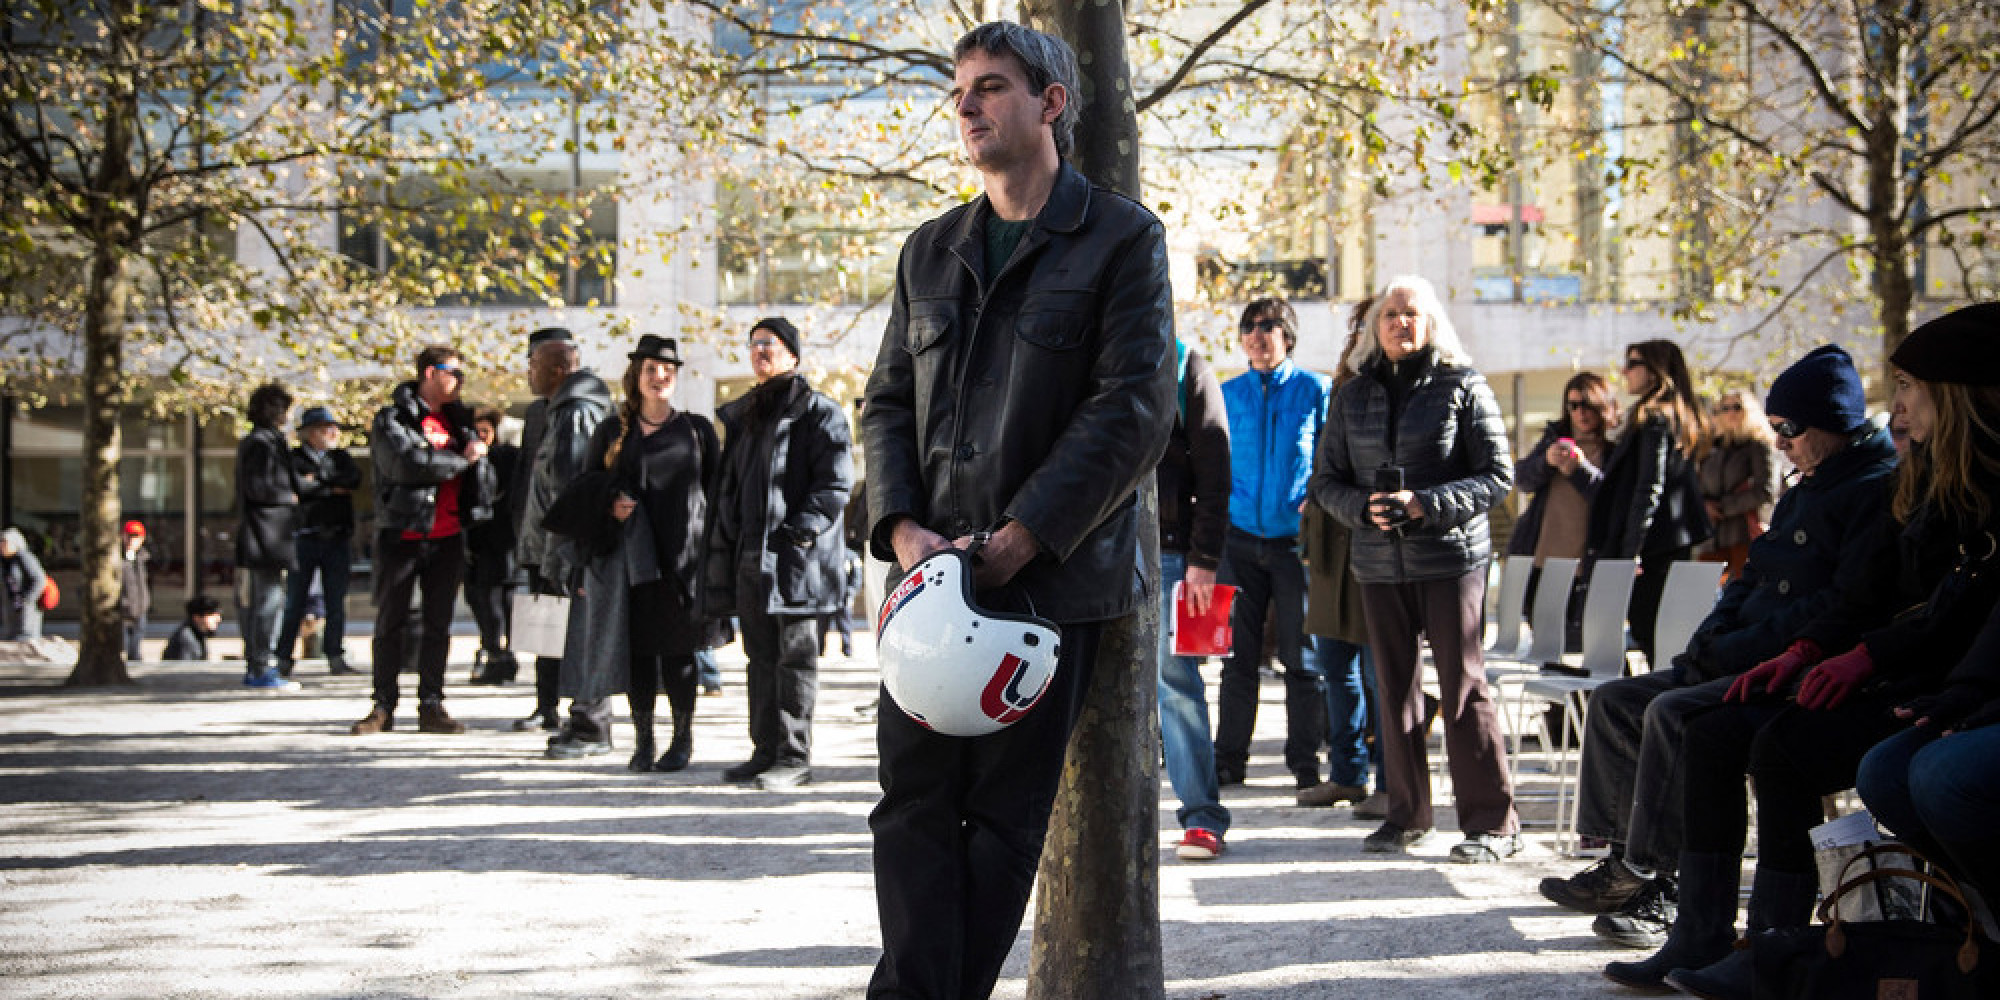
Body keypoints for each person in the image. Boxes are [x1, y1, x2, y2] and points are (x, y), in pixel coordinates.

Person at [859, 21, 1174, 1000]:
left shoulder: (1124, 237)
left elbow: (1132, 408)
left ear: (1050, 102)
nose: (966, 106)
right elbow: (883, 404)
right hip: (929, 583)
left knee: (1001, 819)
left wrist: (1021, 534)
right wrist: (903, 528)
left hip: (1046, 584)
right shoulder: (928, 251)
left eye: (989, 86)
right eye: (959, 90)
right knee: (907, 804)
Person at [1607, 307, 2000, 996]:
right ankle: (1719, 931)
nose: (1898, 409)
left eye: (1909, 388)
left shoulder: (1902, 480)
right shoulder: (1918, 477)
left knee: (1773, 746)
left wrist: (1856, 658)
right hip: (1894, 671)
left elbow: (1927, 611)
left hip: (1928, 682)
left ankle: (1784, 947)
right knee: (1715, 727)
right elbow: (1854, 596)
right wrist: (1807, 651)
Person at [1539, 345, 1895, 949]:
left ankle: (1665, 881)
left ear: (1833, 424)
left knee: (1674, 714)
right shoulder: (1811, 479)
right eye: (1776, 428)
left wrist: (1737, 649)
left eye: (1790, 430)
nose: (1780, 442)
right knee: (1616, 700)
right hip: (1741, 649)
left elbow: (1840, 604)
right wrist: (1710, 637)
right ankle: (1628, 864)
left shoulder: (1871, 487)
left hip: (1789, 663)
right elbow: (1752, 576)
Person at [1310, 274, 1519, 862]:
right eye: (1391, 314)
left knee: (1462, 687)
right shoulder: (1351, 396)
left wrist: (1426, 504)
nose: (1401, 323)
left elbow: (1498, 476)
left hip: (1451, 559)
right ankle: (1406, 815)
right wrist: (1363, 509)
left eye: (1412, 314)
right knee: (1394, 691)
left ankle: (1491, 824)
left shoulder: (1463, 386)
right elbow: (1327, 482)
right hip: (1378, 563)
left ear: (1432, 324)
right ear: (1374, 327)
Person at [557, 335, 719, 771]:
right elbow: (583, 491)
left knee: (681, 655)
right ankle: (644, 740)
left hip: (684, 562)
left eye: (667, 369)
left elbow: (718, 495)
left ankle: (681, 740)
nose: (660, 376)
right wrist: (611, 503)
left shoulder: (696, 429)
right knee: (639, 654)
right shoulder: (612, 431)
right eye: (651, 369)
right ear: (637, 376)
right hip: (630, 565)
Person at [706, 316, 853, 790]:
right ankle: (764, 750)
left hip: (796, 562)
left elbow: (834, 484)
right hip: (750, 559)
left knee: (795, 662)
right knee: (759, 660)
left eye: (768, 343)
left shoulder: (819, 412)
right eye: (752, 345)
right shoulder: (746, 416)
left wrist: (801, 533)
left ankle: (793, 757)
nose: (759, 352)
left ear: (792, 352)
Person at [1212, 296, 1332, 794]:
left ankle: (1305, 763)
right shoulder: (1225, 394)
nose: (1257, 335)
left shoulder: (1316, 390)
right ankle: (1229, 762)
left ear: (1288, 335)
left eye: (1268, 326)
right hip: (1237, 541)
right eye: (1249, 326)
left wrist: (1316, 499)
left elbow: (1332, 461)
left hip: (1294, 546)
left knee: (1302, 659)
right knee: (1238, 659)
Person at [350, 346, 494, 736]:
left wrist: (476, 462)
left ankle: (431, 704)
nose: (461, 382)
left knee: (439, 624)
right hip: (402, 533)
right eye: (455, 373)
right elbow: (407, 466)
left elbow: (481, 471)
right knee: (390, 622)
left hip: (448, 536)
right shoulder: (392, 419)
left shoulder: (459, 422)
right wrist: (464, 461)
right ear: (430, 373)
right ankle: (383, 707)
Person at [511, 327, 613, 734]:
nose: (528, 374)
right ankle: (546, 704)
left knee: (571, 632)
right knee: (544, 628)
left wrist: (559, 552)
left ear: (556, 368)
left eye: (532, 365)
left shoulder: (577, 412)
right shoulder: (551, 409)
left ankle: (583, 715)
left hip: (562, 548)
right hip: (542, 543)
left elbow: (571, 493)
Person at [1300, 297, 1379, 815]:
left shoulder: (1400, 382)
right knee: (1334, 662)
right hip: (1331, 533)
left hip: (1376, 538)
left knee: (1380, 669)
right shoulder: (1346, 375)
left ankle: (1395, 782)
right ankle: (1348, 775)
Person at [1587, 340, 1711, 665]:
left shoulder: (1655, 417)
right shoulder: (1668, 415)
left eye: (1633, 362)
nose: (1625, 370)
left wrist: (1632, 550)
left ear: (1656, 371)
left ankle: (1656, 707)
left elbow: (1649, 487)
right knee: (1657, 636)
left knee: (1651, 633)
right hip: (1663, 543)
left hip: (1653, 547)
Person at [1156, 335, 1232, 858]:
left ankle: (1201, 817)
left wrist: (1203, 559)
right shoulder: (1086, 347)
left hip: (1168, 555)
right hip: (1091, 557)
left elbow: (1215, 469)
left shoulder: (1186, 365)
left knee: (1176, 686)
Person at [1510, 372, 1616, 630]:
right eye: (1573, 405)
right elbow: (1521, 480)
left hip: (1588, 562)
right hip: (1544, 558)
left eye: (1588, 405)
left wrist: (1579, 470)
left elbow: (1612, 501)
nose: (1581, 413)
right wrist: (1546, 462)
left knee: (1588, 640)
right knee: (1544, 639)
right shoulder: (1553, 440)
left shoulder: (1615, 448)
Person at [276, 405, 362, 677]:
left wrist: (318, 482)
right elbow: (299, 487)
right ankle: (284, 658)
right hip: (306, 537)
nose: (333, 433)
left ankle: (335, 655)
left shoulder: (341, 457)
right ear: (311, 433)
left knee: (335, 601)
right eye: (326, 429)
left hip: (336, 537)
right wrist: (329, 487)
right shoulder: (295, 458)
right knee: (295, 601)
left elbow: (354, 480)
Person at [235, 383, 301, 690]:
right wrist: (289, 496)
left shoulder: (267, 442)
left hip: (271, 532)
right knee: (268, 601)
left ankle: (262, 663)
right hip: (267, 534)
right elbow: (257, 487)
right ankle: (261, 665)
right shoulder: (261, 443)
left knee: (270, 599)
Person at [1698, 388, 1779, 584]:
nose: (1731, 413)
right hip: (1711, 539)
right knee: (1706, 598)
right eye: (1725, 408)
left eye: (1737, 407)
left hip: (1744, 537)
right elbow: (1697, 486)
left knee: (1744, 596)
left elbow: (1766, 491)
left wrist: (1724, 507)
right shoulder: (1710, 447)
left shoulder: (1759, 446)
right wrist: (1705, 506)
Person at [464, 406, 519, 685]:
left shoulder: (505, 457)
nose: (480, 437)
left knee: (498, 598)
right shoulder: (467, 457)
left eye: (485, 431)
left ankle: (501, 655)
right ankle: (494, 650)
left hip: (502, 540)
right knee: (478, 597)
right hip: (476, 540)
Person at [1, 527, 49, 640]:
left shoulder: (24, 557)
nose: (2, 546)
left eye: (5, 542)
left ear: (15, 543)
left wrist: (27, 599)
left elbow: (39, 579)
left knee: (26, 639)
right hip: (11, 609)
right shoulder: (5, 561)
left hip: (27, 610)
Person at [119, 520, 150, 661]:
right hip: (122, 612)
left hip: (140, 611)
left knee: (135, 653)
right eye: (129, 536)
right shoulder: (117, 558)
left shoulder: (144, 559)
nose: (132, 540)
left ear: (142, 539)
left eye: (135, 536)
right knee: (122, 650)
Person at [163, 596, 223, 661]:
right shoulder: (186, 639)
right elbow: (184, 669)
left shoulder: (196, 634)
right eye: (212, 615)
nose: (218, 619)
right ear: (197, 617)